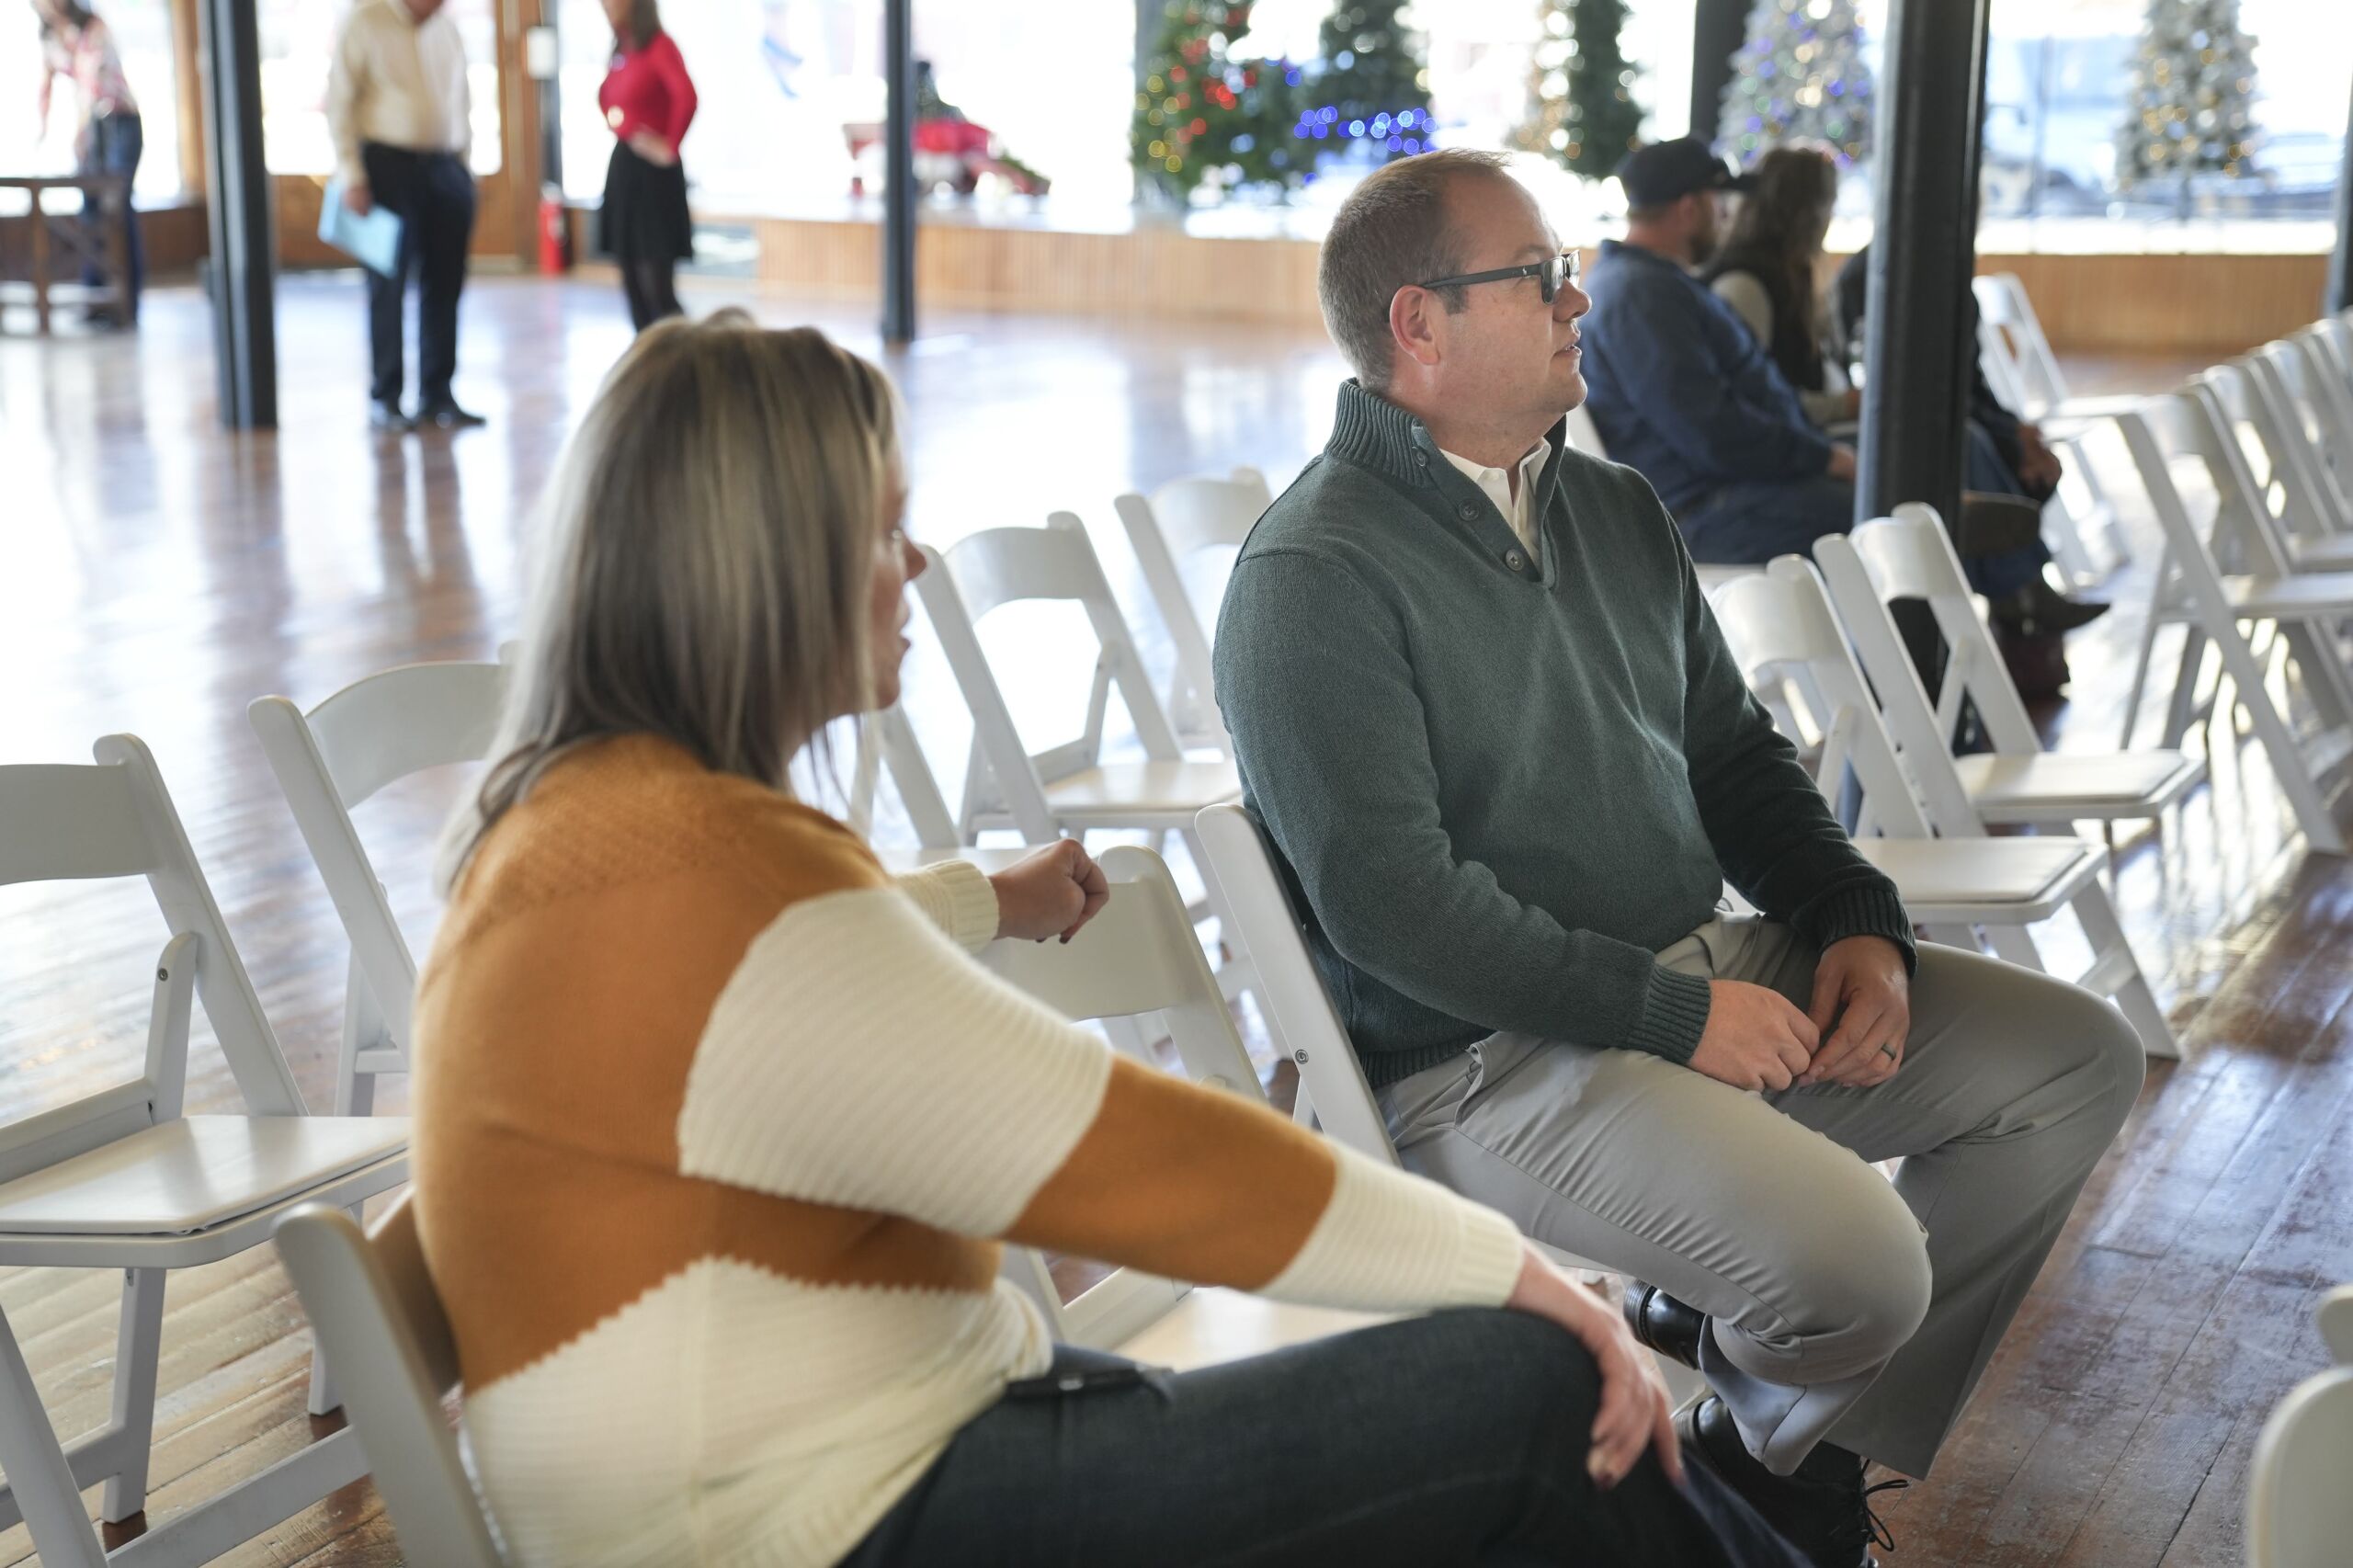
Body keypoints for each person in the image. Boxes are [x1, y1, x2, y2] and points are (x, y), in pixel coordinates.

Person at [410, 312, 1809, 1568]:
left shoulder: (587, 834)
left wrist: (983, 899)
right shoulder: (711, 874)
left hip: (838, 1473)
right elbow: (1131, 1151)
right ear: (762, 573)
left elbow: (791, 971)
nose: (916, 563)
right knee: (1536, 1393)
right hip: (823, 1516)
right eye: (882, 531)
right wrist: (1513, 1269)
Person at [1213, 148, 2145, 1568]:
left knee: (2075, 1060)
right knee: (1864, 1270)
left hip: (1696, 972)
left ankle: (1763, 1448)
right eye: (1541, 275)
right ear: (1419, 324)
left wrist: (1855, 918)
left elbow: (1736, 759)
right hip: (1487, 1058)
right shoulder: (1313, 574)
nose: (1579, 298)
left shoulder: (1610, 506)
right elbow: (1394, 909)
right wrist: (1676, 1015)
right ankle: (1764, 1453)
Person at [327, 0, 483, 432]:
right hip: (386, 169)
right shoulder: (365, 21)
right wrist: (352, 175)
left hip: (445, 168)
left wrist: (464, 170)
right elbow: (340, 103)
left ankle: (438, 394)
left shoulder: (447, 31)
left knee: (446, 283)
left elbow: (461, 100)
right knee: (387, 287)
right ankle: (387, 397)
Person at [32, 0, 142, 323]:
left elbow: (91, 81)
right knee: (90, 212)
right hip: (91, 128)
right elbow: (46, 83)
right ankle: (96, 300)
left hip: (119, 122)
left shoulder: (92, 26)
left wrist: (80, 132)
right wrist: (41, 128)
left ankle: (126, 304)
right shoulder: (50, 36)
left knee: (118, 209)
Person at [596, 0, 696, 330]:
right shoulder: (622, 48)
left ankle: (684, 355)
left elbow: (687, 97)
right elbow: (607, 98)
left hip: (652, 177)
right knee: (631, 281)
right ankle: (647, 354)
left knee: (656, 285)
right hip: (625, 167)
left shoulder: (659, 45)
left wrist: (670, 144)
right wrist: (620, 124)